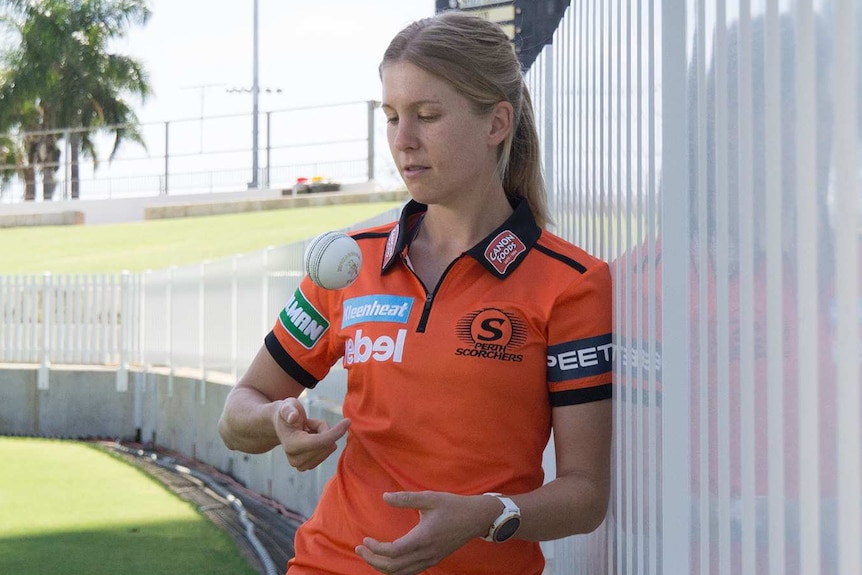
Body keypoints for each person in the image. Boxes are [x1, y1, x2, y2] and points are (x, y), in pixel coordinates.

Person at [218, 11, 612, 575]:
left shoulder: (572, 284)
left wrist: (485, 517)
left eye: (427, 116)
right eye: (392, 116)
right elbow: (238, 414)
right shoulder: (346, 263)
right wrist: (277, 422)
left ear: (497, 122)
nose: (403, 141)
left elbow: (585, 496)